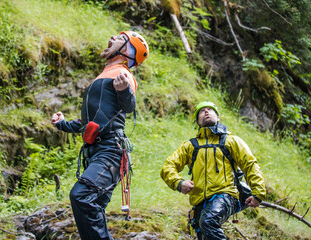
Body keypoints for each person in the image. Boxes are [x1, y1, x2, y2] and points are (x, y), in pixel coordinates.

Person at [51, 31, 149, 240]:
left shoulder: (123, 75)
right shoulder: (105, 74)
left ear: (128, 51)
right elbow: (90, 122)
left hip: (111, 151)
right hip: (98, 151)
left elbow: (129, 106)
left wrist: (124, 90)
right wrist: (62, 124)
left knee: (81, 196)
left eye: (120, 39)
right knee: (92, 207)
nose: (112, 38)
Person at [160, 101, 266, 240]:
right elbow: (168, 167)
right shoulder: (190, 146)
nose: (206, 112)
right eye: (202, 111)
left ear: (218, 117)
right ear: (198, 121)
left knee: (208, 222)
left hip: (225, 195)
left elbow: (250, 164)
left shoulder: (231, 141)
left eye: (210, 109)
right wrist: (179, 183)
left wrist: (258, 192)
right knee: (203, 233)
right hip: (199, 202)